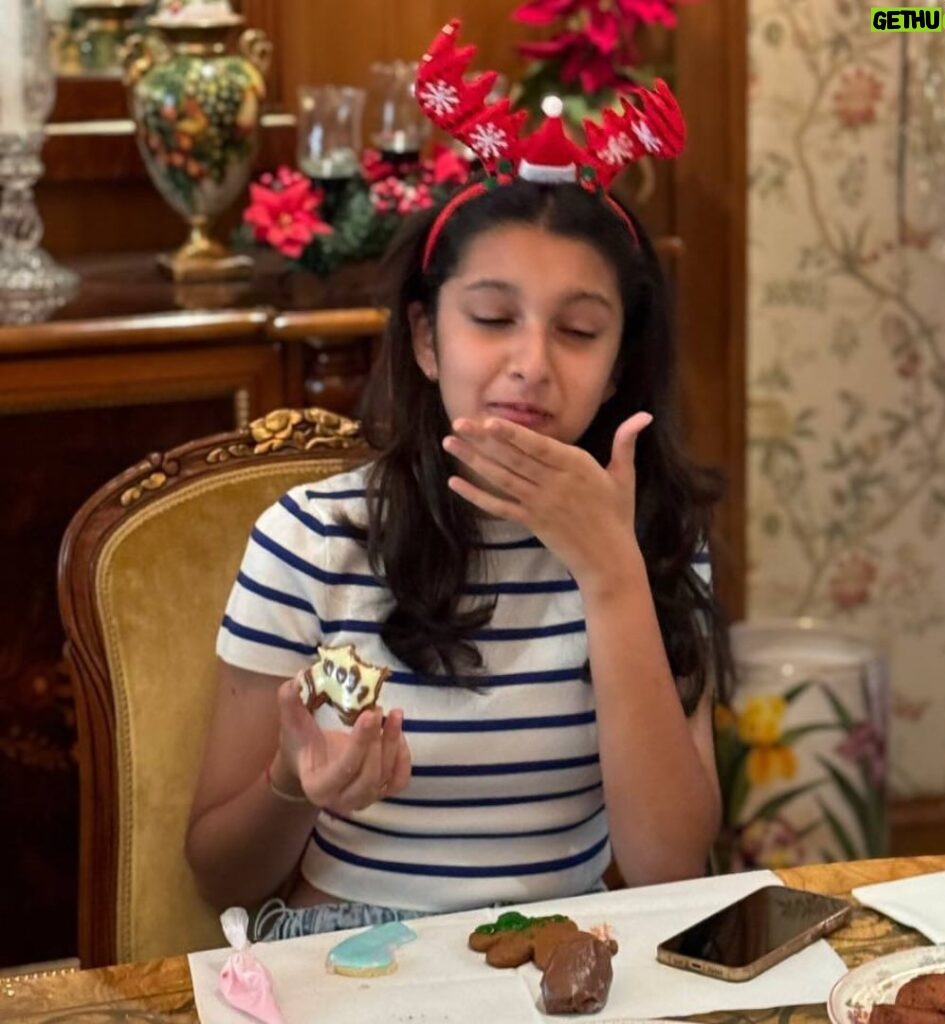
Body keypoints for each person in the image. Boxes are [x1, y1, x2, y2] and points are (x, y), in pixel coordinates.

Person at [185, 26, 730, 942]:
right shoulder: (313, 537)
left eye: (579, 330)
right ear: (429, 339)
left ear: (620, 360)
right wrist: (293, 785)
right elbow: (216, 873)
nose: (531, 364)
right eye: (491, 318)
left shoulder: (656, 534)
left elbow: (669, 866)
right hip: (352, 958)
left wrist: (610, 570)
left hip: (565, 957)